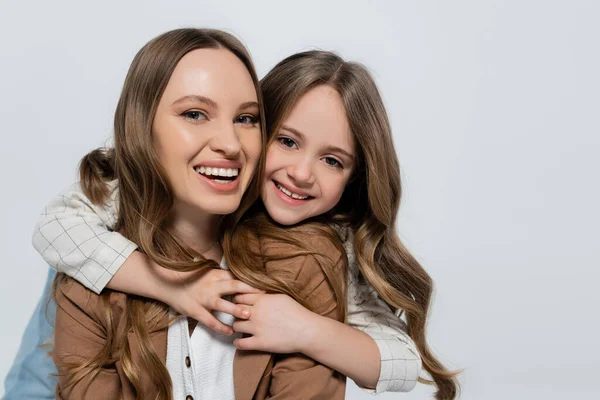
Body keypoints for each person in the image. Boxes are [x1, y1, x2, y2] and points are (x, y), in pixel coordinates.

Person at [21, 41, 458, 400]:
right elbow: (55, 228)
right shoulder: (105, 225)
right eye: (286, 141)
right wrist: (173, 283)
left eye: (332, 160)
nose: (302, 173)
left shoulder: (322, 252)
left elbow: (401, 361)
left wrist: (304, 329)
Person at [50, 28, 348, 400]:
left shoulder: (305, 262)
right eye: (195, 114)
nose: (229, 144)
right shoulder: (89, 275)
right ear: (141, 127)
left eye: (246, 119)